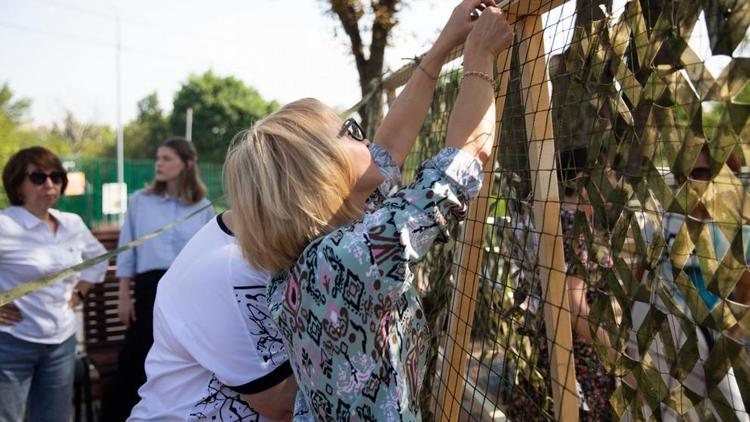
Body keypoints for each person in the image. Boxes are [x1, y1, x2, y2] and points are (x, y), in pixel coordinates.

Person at [224, 2, 513, 419]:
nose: (364, 139)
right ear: (322, 174)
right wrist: (479, 59)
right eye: (350, 131)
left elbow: (389, 148)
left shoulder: (310, 259)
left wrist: (442, 48)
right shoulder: (348, 258)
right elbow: (465, 160)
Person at [103, 137, 214, 421]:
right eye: (158, 158)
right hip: (148, 289)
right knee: (134, 361)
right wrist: (124, 295)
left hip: (188, 292)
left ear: (187, 164)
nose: (159, 164)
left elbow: (210, 255)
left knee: (184, 360)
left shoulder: (202, 206)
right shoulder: (140, 201)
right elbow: (128, 251)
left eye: (167, 158)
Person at [0, 146, 108, 421]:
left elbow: (98, 258)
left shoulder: (72, 223)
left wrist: (80, 294)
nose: (49, 184)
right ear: (17, 185)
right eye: (38, 177)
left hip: (62, 341)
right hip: (12, 341)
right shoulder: (5, 225)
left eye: (56, 176)